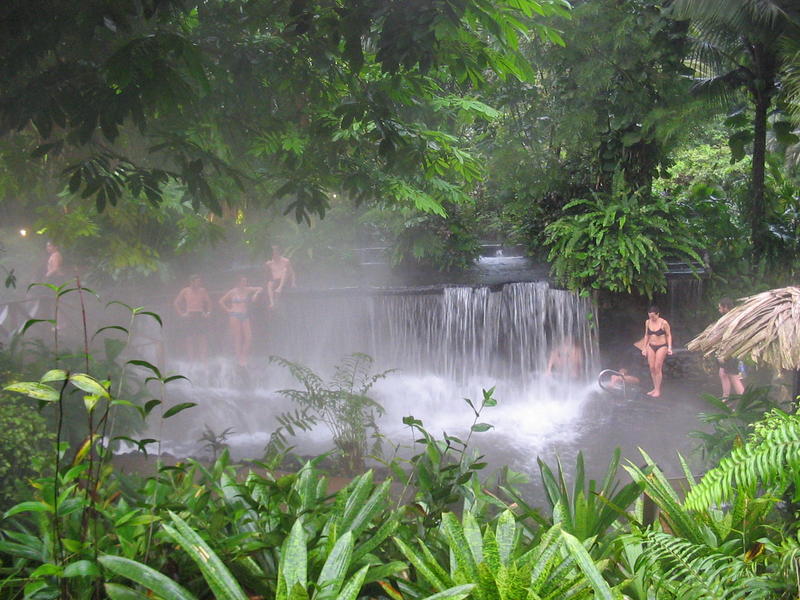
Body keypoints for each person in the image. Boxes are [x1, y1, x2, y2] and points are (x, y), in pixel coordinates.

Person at [219, 276, 263, 367]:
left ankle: (243, 355)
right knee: (238, 338)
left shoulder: (248, 290)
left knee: (249, 337)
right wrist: (228, 310)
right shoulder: (232, 291)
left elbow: (260, 288)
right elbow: (221, 301)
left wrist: (256, 294)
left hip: (245, 315)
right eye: (243, 281)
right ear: (238, 283)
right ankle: (239, 358)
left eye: (246, 281)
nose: (245, 283)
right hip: (235, 315)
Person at [173, 275, 212, 364]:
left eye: (200, 282)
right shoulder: (185, 291)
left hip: (200, 314)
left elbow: (209, 302)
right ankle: (191, 359)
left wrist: (208, 313)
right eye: (197, 281)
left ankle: (203, 358)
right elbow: (176, 303)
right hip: (190, 315)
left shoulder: (203, 290)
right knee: (189, 338)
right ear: (192, 282)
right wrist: (181, 314)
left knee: (202, 338)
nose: (199, 283)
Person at [717, 297, 744, 401]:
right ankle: (725, 398)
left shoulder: (733, 319)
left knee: (734, 377)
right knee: (723, 373)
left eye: (720, 308)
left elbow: (732, 338)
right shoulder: (728, 318)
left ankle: (743, 402)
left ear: (726, 307)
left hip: (732, 351)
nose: (719, 310)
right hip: (726, 350)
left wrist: (725, 354)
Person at [642, 305, 672, 398]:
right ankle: (654, 388)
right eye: (650, 316)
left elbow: (668, 335)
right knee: (651, 367)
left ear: (658, 314)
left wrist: (670, 347)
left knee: (657, 367)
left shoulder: (664, 323)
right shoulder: (647, 322)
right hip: (651, 345)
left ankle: (658, 390)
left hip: (661, 346)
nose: (652, 318)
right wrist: (644, 347)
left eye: (653, 316)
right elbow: (646, 335)